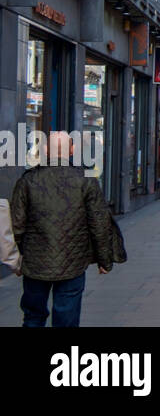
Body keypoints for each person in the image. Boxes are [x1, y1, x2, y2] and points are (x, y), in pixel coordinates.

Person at [8, 132, 120, 327]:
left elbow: (16, 225)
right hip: (73, 261)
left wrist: (16, 260)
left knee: (33, 316)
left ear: (45, 151)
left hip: (35, 262)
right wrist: (105, 259)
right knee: (66, 317)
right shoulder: (86, 180)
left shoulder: (28, 180)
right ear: (72, 150)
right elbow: (99, 223)